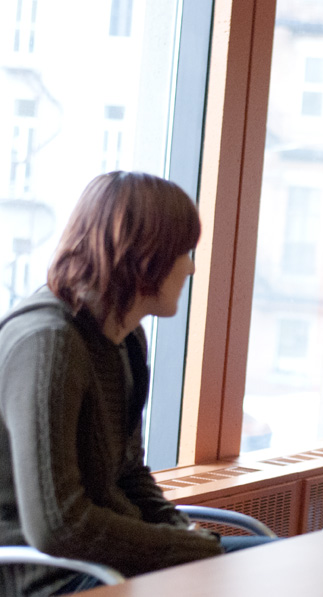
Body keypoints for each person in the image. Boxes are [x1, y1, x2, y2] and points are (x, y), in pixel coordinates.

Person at [0, 172, 271, 597]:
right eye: (184, 251)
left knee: (281, 562)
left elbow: (129, 472)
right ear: (144, 256)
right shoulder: (48, 344)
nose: (192, 266)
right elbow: (58, 525)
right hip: (52, 578)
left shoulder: (125, 339)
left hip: (111, 564)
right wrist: (186, 547)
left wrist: (183, 533)